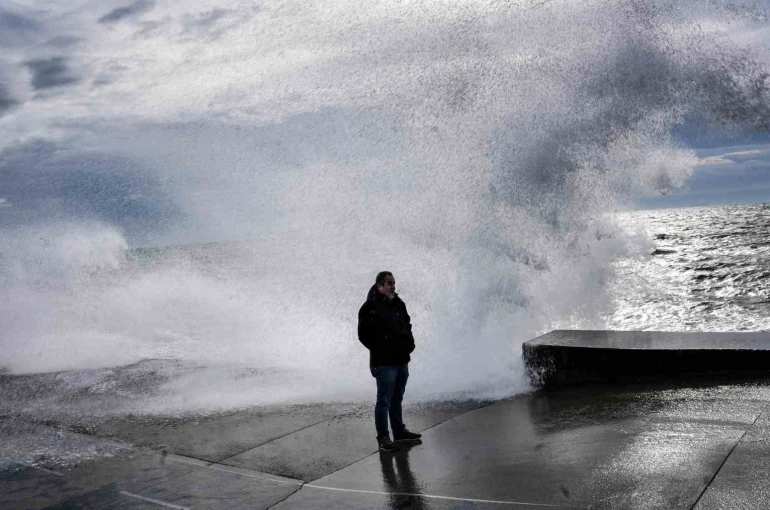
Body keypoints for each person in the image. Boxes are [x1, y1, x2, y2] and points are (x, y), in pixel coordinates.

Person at [358, 271, 422, 452]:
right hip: (384, 363)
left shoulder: (398, 304)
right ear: (379, 286)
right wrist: (382, 348)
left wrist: (409, 343)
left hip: (401, 360)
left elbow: (407, 324)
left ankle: (399, 432)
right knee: (384, 401)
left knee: (397, 398)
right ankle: (383, 438)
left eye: (393, 283)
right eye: (389, 283)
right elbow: (363, 335)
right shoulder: (370, 307)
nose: (393, 286)